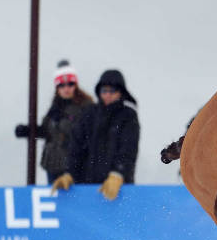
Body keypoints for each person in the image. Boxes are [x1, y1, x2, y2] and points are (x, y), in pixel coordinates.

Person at [51, 70, 140, 200]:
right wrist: (70, 173)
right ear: (99, 91)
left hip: (118, 190)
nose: (108, 94)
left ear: (121, 92)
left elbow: (128, 149)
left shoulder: (128, 115)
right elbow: (76, 147)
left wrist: (118, 173)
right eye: (104, 90)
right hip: (87, 189)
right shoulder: (89, 113)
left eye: (112, 90)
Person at [15, 60, 94, 184]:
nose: (66, 88)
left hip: (74, 165)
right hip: (53, 164)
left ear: (76, 84)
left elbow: (86, 134)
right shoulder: (56, 107)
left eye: (70, 84)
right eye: (61, 85)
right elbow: (48, 132)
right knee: (56, 200)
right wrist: (28, 131)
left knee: (74, 200)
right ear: (56, 87)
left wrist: (64, 124)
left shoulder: (86, 106)